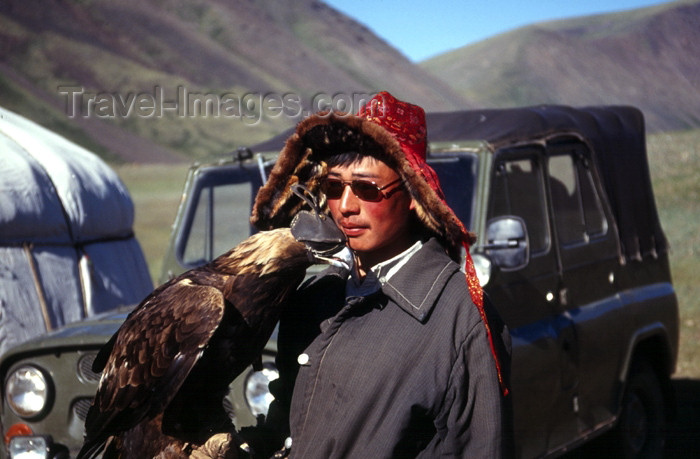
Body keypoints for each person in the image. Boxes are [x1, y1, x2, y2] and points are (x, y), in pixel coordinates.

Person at [247, 91, 512, 458]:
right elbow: (285, 424)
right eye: (334, 187)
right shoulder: (314, 298)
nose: (345, 207)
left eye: (367, 188)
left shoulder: (460, 318)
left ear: (414, 196)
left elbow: (481, 449)